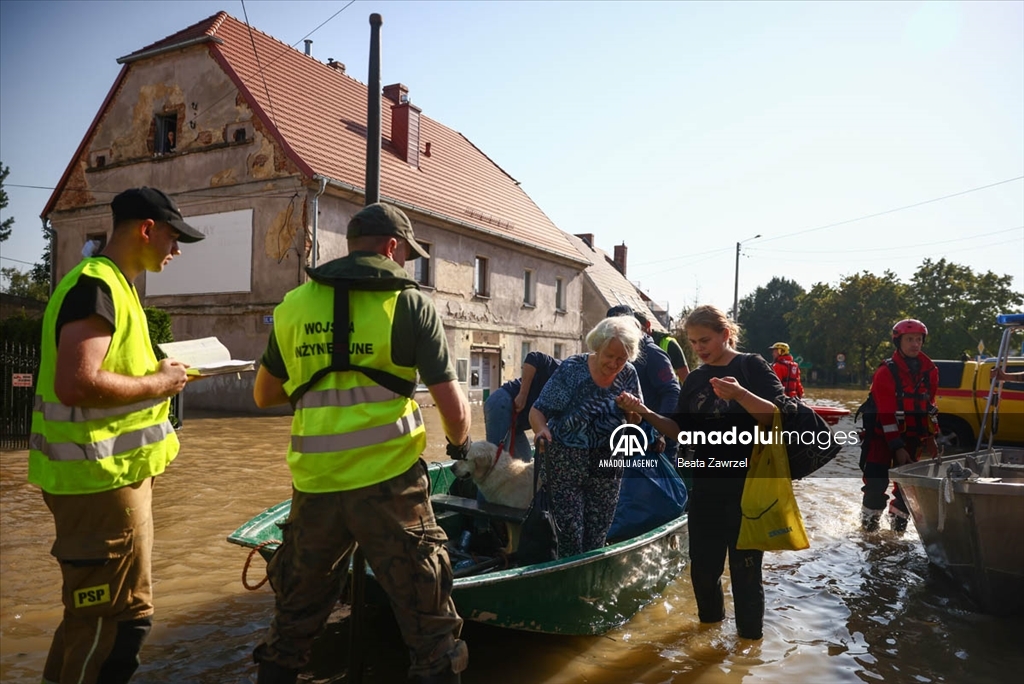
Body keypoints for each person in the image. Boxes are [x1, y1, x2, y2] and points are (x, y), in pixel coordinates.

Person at [250, 203, 471, 684]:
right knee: (430, 628)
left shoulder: (292, 306)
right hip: (390, 487)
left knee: (292, 624)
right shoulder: (410, 305)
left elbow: (264, 394)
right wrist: (460, 443)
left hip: (316, 486)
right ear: (392, 248)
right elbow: (452, 410)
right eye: (406, 256)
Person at [28, 187, 205, 684]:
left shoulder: (117, 286)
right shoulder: (96, 285)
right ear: (147, 229)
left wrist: (160, 371)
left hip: (111, 482)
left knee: (95, 621)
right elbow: (77, 382)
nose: (176, 250)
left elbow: (109, 371)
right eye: (173, 239)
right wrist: (161, 382)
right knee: (116, 624)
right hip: (97, 485)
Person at [617, 305, 785, 641]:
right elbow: (681, 430)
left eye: (704, 340)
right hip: (706, 486)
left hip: (747, 488)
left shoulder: (751, 366)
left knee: (745, 575)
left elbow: (776, 416)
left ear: (725, 334)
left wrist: (738, 393)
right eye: (693, 342)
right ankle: (709, 643)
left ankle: (747, 648)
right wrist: (646, 412)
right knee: (703, 573)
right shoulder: (694, 379)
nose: (699, 348)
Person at [529, 316, 642, 558]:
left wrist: (631, 409)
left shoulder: (629, 373)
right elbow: (538, 411)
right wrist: (541, 430)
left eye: (621, 358)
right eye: (609, 356)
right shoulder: (572, 369)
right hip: (565, 460)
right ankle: (568, 582)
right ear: (597, 347)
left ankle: (590, 586)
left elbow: (635, 423)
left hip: (608, 463)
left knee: (597, 532)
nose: (614, 363)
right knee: (570, 532)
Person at [861, 319, 939, 534]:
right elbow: (886, 415)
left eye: (919, 340)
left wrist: (932, 438)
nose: (915, 344)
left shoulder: (930, 371)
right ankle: (869, 533)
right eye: (910, 339)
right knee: (876, 486)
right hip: (881, 439)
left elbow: (930, 406)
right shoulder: (885, 372)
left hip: (912, 438)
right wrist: (897, 446)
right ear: (899, 341)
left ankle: (897, 534)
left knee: (907, 491)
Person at [606, 305, 680, 459]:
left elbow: (672, 393)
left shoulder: (652, 353)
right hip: (628, 439)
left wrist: (660, 432)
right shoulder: (614, 353)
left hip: (654, 443)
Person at [483, 351, 560, 462]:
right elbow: (533, 357)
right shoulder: (563, 369)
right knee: (497, 460)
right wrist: (523, 394)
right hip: (504, 401)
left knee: (525, 462)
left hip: (518, 424)